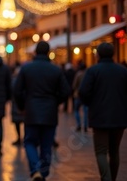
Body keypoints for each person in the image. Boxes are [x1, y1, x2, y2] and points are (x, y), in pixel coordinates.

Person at [14, 41, 70, 181]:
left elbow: (17, 90)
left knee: (30, 142)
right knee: (46, 144)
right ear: (48, 52)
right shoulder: (55, 69)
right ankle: (43, 173)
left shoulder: (27, 69)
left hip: (31, 110)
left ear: (35, 52)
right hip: (49, 112)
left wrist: (22, 106)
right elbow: (65, 91)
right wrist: (55, 102)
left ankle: (35, 170)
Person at [79, 42, 127, 181]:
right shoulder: (123, 71)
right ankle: (112, 178)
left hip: (100, 117)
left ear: (98, 54)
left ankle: (106, 179)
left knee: (101, 151)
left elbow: (83, 92)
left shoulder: (93, 70)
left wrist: (91, 104)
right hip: (120, 116)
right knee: (114, 151)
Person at [10, 62, 25, 146]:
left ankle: (19, 137)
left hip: (16, 103)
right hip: (22, 103)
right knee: (23, 122)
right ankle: (22, 138)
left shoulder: (13, 79)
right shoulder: (25, 79)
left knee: (17, 122)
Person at [72, 62, 88, 132]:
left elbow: (74, 85)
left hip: (78, 95)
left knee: (76, 110)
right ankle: (85, 126)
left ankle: (79, 124)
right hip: (86, 95)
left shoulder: (78, 74)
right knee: (85, 111)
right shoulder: (88, 74)